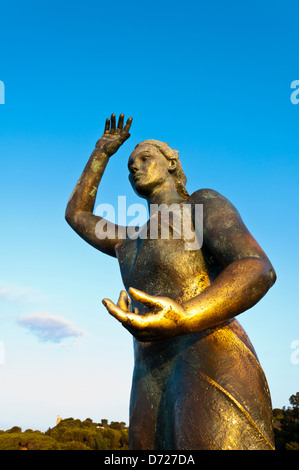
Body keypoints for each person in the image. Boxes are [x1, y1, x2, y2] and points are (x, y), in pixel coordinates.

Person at [65, 113, 276, 450]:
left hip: (210, 360)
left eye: (145, 158)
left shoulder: (200, 205)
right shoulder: (130, 239)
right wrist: (101, 153)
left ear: (172, 165)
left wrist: (185, 316)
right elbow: (76, 215)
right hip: (150, 372)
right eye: (130, 164)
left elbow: (256, 267)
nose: (134, 166)